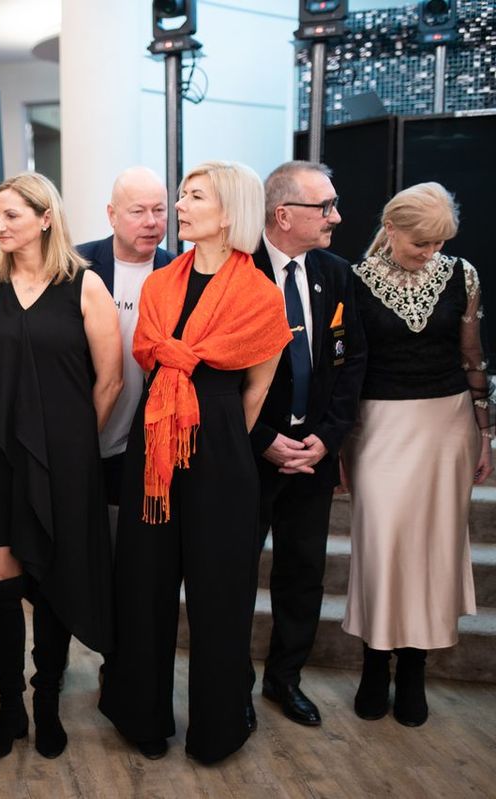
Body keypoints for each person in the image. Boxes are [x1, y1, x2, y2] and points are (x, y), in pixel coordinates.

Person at [99, 161, 290, 765]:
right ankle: (142, 717)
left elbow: (258, 389)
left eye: (193, 197)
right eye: (180, 196)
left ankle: (219, 728)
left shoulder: (260, 293)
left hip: (221, 452)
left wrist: (221, 442)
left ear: (229, 212)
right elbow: (148, 356)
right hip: (154, 450)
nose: (178, 207)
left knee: (219, 593)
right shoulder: (161, 284)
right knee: (144, 584)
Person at [0, 172, 121, 762]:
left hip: (67, 463)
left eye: (12, 215)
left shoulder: (87, 286)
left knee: (55, 582)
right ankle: (10, 709)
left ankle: (48, 701)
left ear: (45, 218)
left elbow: (111, 381)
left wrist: (71, 446)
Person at [342, 182, 490, 727]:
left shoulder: (463, 275)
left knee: (432, 549)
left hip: (447, 424)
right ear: (391, 228)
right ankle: (374, 662)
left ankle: (413, 670)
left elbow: (472, 355)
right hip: (377, 424)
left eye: (439, 243)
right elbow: (346, 367)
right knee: (381, 544)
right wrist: (339, 441)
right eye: (420, 242)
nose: (431, 252)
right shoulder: (353, 280)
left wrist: (485, 432)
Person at [246, 161, 366, 729]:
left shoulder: (336, 274)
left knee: (303, 573)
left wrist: (328, 438)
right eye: (326, 207)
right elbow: (218, 377)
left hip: (313, 455)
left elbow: (353, 361)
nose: (336, 217)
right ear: (283, 214)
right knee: (236, 574)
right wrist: (263, 439)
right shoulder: (237, 272)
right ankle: (233, 688)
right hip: (250, 456)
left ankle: (285, 679)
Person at [75, 166, 173, 508]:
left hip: (145, 442)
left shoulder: (177, 272)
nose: (151, 222)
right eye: (138, 211)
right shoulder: (77, 266)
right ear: (112, 215)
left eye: (159, 210)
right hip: (82, 431)